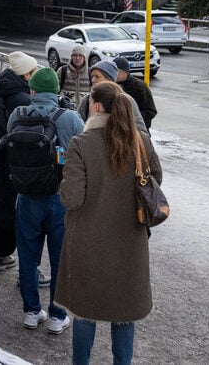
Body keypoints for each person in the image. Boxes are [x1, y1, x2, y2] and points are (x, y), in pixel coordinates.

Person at [57, 81, 162, 364]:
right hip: (130, 240)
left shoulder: (81, 143)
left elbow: (72, 198)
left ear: (97, 106)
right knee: (124, 313)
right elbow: (155, 181)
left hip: (88, 239)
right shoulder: (141, 141)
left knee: (84, 311)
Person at [7, 67, 85, 335]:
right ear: (56, 92)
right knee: (59, 260)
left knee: (28, 257)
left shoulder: (17, 114)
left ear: (32, 91)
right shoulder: (70, 118)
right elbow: (81, 156)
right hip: (58, 198)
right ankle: (56, 316)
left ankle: (31, 312)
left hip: (26, 197)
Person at [0, 51, 37, 273]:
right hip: (18, 160)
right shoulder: (22, 99)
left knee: (6, 206)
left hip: (3, 157)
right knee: (23, 211)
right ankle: (27, 268)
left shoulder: (2, 89)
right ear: (26, 74)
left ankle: (2, 254)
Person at [113, 57, 157, 130]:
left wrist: (131, 121)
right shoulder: (110, 84)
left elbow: (151, 111)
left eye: (116, 71)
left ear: (125, 72)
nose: (113, 74)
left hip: (137, 129)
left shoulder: (139, 86)